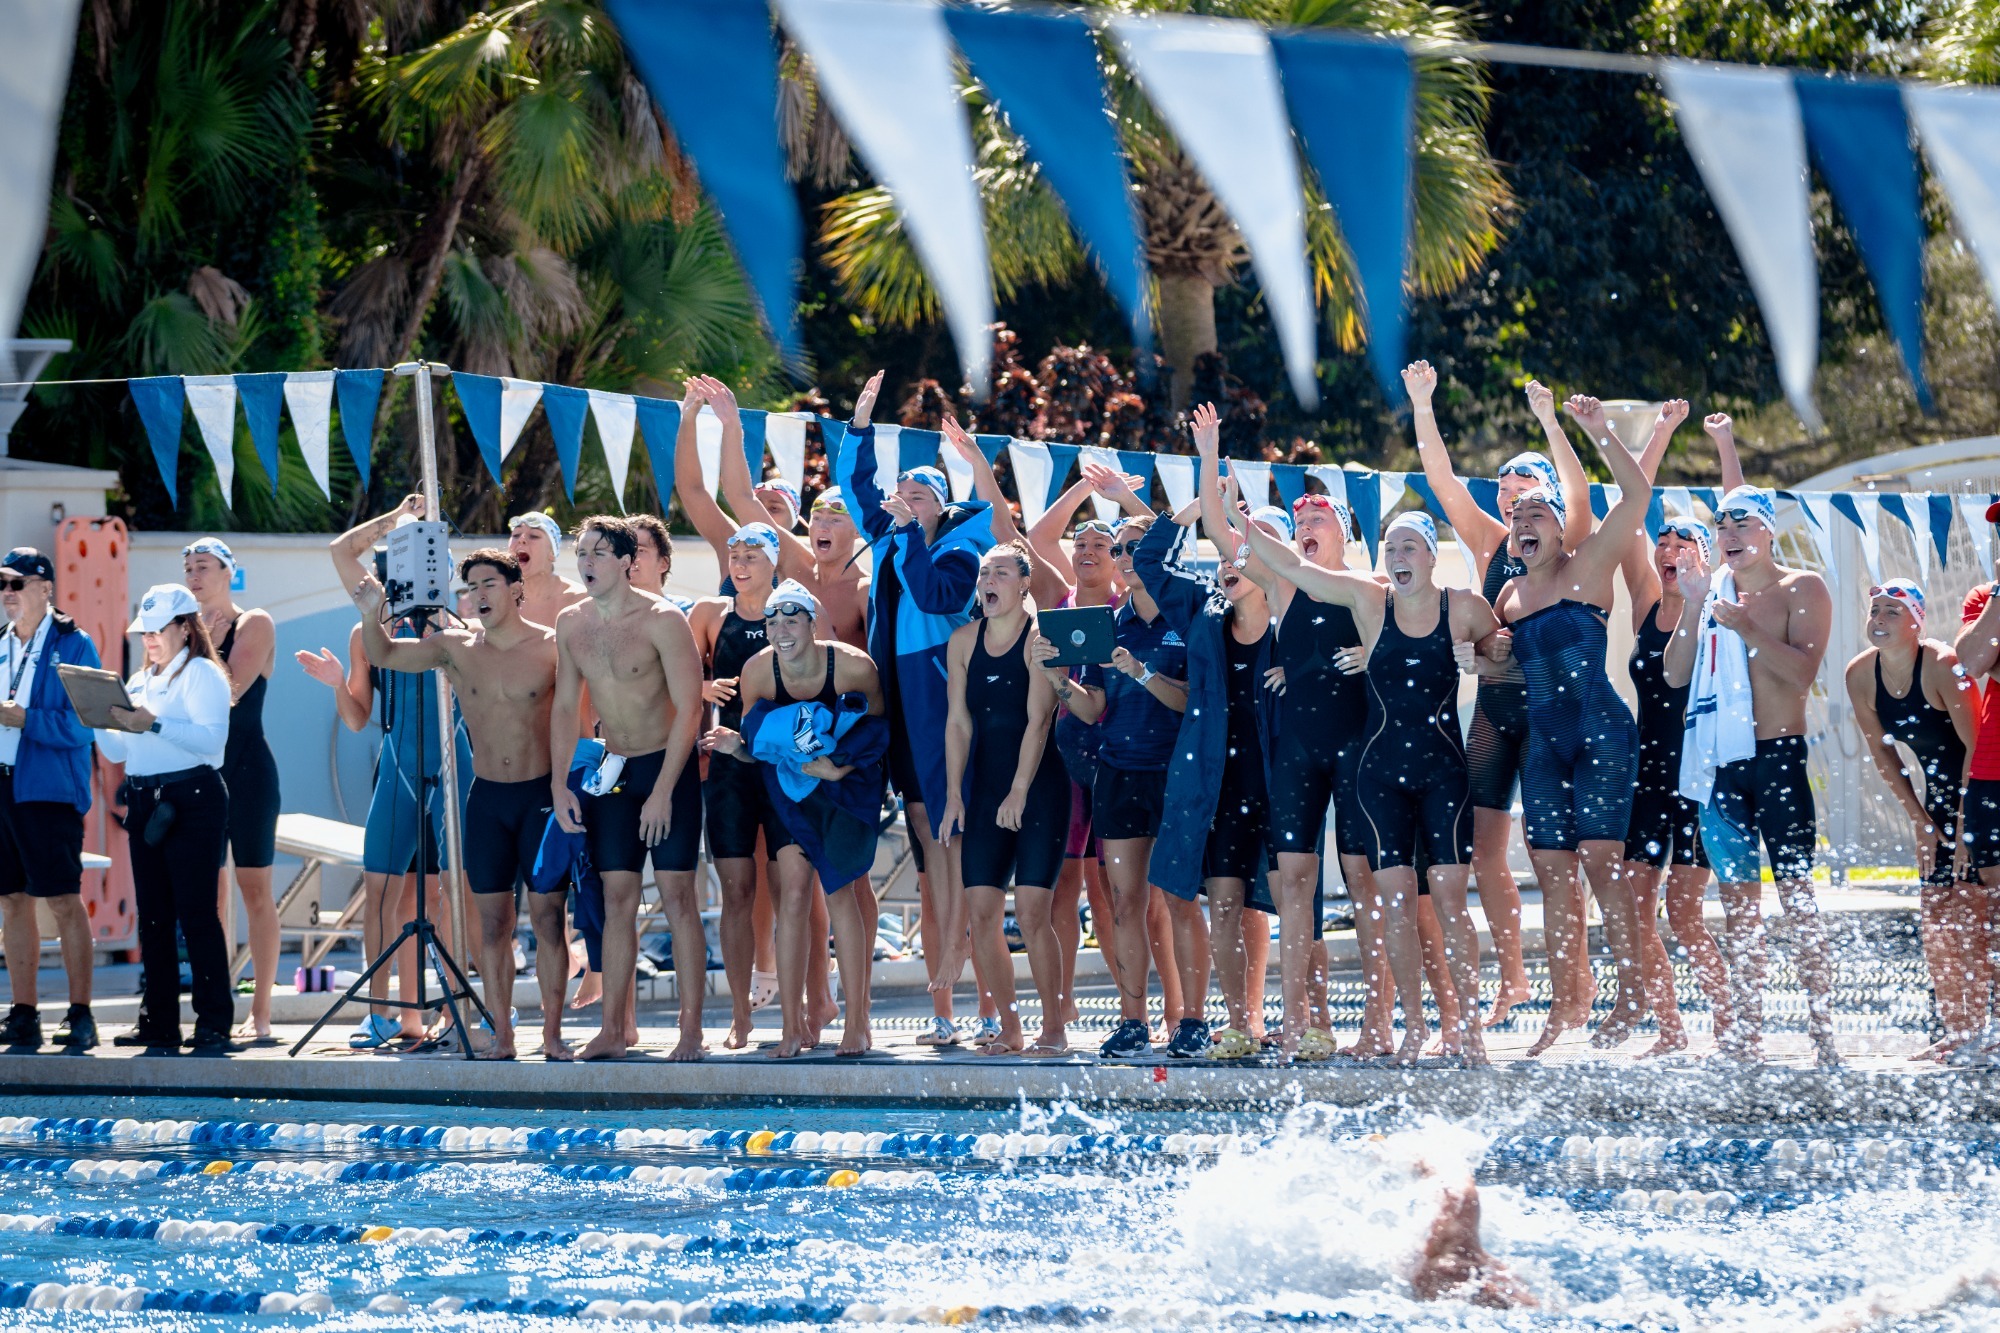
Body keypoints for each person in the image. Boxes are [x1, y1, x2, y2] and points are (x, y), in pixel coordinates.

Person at [1244, 510, 1501, 1064]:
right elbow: (1289, 566)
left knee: (1451, 901)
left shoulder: (1465, 606)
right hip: (1380, 775)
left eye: (1411, 547)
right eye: (1391, 549)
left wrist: (1482, 658)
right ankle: (1411, 1028)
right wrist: (1223, 493)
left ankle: (1470, 1028)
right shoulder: (1369, 603)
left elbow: (1511, 657)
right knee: (1396, 904)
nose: (1399, 557)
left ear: (1433, 554)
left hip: (1444, 772)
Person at [346, 550, 591, 1060]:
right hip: (486, 800)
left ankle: (551, 1033)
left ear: (516, 590)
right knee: (493, 925)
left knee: (548, 921)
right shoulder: (455, 648)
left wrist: (572, 787)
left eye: (490, 584)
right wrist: (371, 614)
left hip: (540, 797)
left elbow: (578, 717)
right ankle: (502, 1033)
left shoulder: (551, 648)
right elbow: (386, 654)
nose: (479, 594)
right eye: (472, 586)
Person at [1407, 364, 1591, 1026]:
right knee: (1481, 851)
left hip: (1548, 714)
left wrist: (1552, 420)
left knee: (1553, 857)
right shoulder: (1491, 541)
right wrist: (1424, 404)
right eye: (1506, 494)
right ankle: (1512, 977)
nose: (1514, 504)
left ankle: (1576, 984)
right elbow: (1443, 482)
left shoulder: (1573, 549)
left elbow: (1581, 492)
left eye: (1527, 492)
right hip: (1493, 710)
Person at [1489, 392, 1659, 1055]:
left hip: (1601, 735)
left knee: (1601, 863)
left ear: (1561, 531)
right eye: (1517, 515)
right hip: (1544, 747)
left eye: (1539, 511)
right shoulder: (1507, 595)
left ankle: (1634, 992)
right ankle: (1567, 1002)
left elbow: (1636, 499)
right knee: (1552, 872)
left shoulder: (1588, 567)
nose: (1525, 519)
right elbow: (1489, 656)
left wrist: (1599, 432)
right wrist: (1487, 650)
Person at [1664, 417, 1837, 1066]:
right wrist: (1695, 608)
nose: (1730, 535)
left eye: (1742, 525)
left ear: (1769, 531)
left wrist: (1744, 627)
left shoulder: (1802, 590)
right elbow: (1677, 674)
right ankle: (1747, 1033)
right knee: (1739, 910)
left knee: (1797, 900)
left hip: (1779, 763)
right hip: (1723, 770)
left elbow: (1801, 673)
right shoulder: (1714, 596)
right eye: (1722, 527)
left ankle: (1823, 1032)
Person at [839, 371, 996, 1045]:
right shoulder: (891, 536)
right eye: (901, 491)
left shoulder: (963, 551)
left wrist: (903, 533)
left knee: (952, 861)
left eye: (919, 493)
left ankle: (987, 1003)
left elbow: (933, 596)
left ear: (941, 506)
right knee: (934, 863)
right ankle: (942, 1009)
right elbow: (854, 487)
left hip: (937, 705)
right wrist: (860, 422)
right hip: (895, 706)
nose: (902, 499)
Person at [1193, 416, 1356, 1056]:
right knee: (1267, 894)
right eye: (1299, 524)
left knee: (1321, 896)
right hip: (1285, 761)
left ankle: (1324, 1019)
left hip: (1340, 758)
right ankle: (1259, 1019)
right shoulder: (1284, 586)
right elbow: (1216, 528)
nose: (1305, 532)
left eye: (1318, 521)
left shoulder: (1368, 591)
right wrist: (1208, 458)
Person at [1128, 430, 1283, 1059]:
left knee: (1287, 900)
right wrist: (1199, 501)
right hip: (1213, 776)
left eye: (1239, 555)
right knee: (1220, 899)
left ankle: (1292, 1018)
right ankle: (1241, 1022)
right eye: (1221, 556)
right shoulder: (1202, 613)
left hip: (1277, 776)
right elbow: (1149, 561)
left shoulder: (1295, 624)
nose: (1227, 564)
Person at [704, 579, 887, 1057]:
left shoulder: (851, 666)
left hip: (844, 789)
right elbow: (758, 748)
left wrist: (839, 766)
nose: (781, 630)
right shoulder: (758, 672)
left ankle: (857, 1023)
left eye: (791, 619)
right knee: (793, 896)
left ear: (812, 621)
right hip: (789, 792)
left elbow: (879, 734)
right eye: (773, 622)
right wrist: (734, 748)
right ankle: (792, 1026)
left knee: (843, 895)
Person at [550, 516, 704, 1061]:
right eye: (580, 552)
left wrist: (664, 790)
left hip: (667, 768)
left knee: (678, 897)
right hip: (613, 770)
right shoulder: (571, 623)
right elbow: (566, 705)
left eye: (597, 552)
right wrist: (559, 783)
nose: (585, 562)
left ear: (625, 562)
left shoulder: (663, 620)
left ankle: (690, 1031)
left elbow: (691, 708)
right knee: (616, 900)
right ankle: (614, 1030)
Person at [1035, 513, 1189, 1059]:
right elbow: (1094, 707)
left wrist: (1142, 673)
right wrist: (1057, 678)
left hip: (1174, 771)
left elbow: (1192, 702)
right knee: (1124, 903)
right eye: (1119, 549)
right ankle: (1133, 1020)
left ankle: (1189, 1018)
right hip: (1118, 771)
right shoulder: (1110, 622)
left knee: (1177, 902)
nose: (1123, 557)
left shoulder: (1185, 614)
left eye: (1131, 548)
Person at [316, 498, 468, 1048]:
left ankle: (457, 1010)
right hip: (397, 768)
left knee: (446, 895)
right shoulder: (370, 631)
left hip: (453, 768)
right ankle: (384, 1013)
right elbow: (358, 719)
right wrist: (339, 682)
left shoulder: (461, 624)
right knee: (381, 890)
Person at [938, 542, 1072, 1057]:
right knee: (981, 909)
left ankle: (1054, 1028)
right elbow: (958, 721)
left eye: (999, 572)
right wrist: (954, 793)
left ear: (1023, 584)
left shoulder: (1040, 640)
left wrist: (1018, 791)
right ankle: (1011, 1028)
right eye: (982, 573)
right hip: (987, 788)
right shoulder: (962, 641)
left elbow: (1040, 722)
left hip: (1038, 786)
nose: (987, 581)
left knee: (1033, 910)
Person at [98, 584, 235, 1052]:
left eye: (157, 630)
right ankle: (158, 1020)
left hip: (192, 796)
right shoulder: (139, 681)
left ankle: (214, 1021)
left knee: (196, 913)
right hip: (145, 800)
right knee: (153, 917)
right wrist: (100, 718)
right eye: (144, 632)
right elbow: (119, 750)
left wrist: (151, 722)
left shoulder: (201, 673)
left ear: (183, 627)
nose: (149, 639)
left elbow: (212, 744)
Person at [1844, 580, 1975, 1059]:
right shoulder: (1860, 674)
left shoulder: (1941, 664)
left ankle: (1989, 1029)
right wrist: (1921, 823)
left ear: (1917, 621)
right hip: (1940, 801)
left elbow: (1978, 746)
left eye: (1892, 612)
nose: (1878, 618)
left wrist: (1966, 824)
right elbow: (1884, 754)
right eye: (1874, 610)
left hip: (1983, 789)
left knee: (1979, 915)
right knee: (1936, 918)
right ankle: (1957, 1031)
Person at [1620, 514, 1732, 1057]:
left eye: (1683, 544)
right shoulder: (1647, 608)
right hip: (1648, 778)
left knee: (1685, 913)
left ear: (1705, 557)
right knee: (1634, 905)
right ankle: (1670, 1029)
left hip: (1697, 780)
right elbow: (1626, 513)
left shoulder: (1717, 612)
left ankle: (1729, 1023)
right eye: (1662, 544)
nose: (1669, 551)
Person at [0, 548, 104, 1052]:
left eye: (16, 584)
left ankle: (81, 1013)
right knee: (12, 900)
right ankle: (23, 1013)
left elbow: (89, 724)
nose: (6, 594)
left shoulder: (74, 644)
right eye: (1, 585)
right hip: (3, 786)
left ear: (45, 587)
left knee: (62, 899)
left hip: (47, 790)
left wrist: (27, 719)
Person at [180, 537, 280, 1042]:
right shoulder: (184, 631)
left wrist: (202, 648)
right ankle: (215, 1008)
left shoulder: (254, 622)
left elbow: (230, 695)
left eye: (203, 567)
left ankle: (260, 1011)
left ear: (227, 573)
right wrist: (197, 642)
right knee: (209, 898)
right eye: (188, 568)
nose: (194, 576)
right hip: (200, 777)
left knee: (254, 890)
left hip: (247, 772)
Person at [507, 512, 589, 631]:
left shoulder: (580, 600)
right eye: (516, 535)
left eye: (534, 536)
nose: (521, 540)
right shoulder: (494, 600)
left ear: (552, 553)